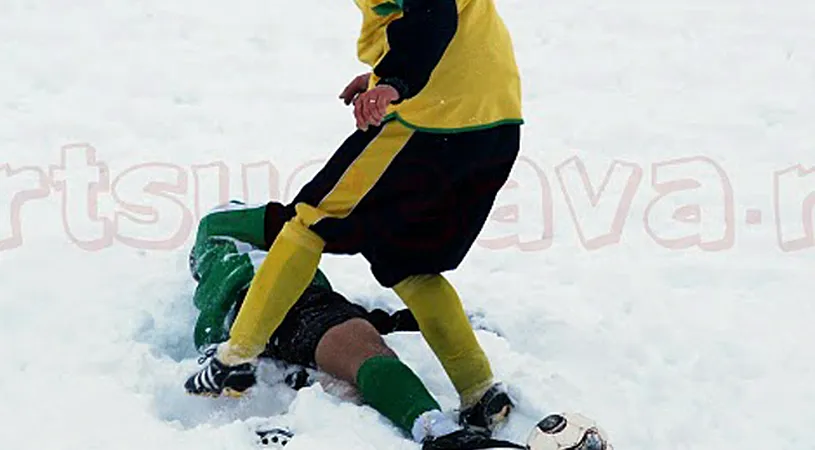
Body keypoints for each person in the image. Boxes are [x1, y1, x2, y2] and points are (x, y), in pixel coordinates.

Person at [186, 0, 523, 440]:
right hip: (493, 125)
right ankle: (479, 390)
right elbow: (445, 33)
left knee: (309, 224)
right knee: (406, 261)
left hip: (433, 125)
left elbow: (431, 15)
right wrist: (383, 77)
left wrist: (396, 84)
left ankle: (235, 359)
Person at [185, 202, 523, 449]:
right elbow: (300, 218)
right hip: (290, 302)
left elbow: (213, 341)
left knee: (340, 359)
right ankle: (438, 431)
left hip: (251, 326)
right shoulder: (222, 227)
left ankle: (293, 379)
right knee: (363, 353)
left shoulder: (211, 290)